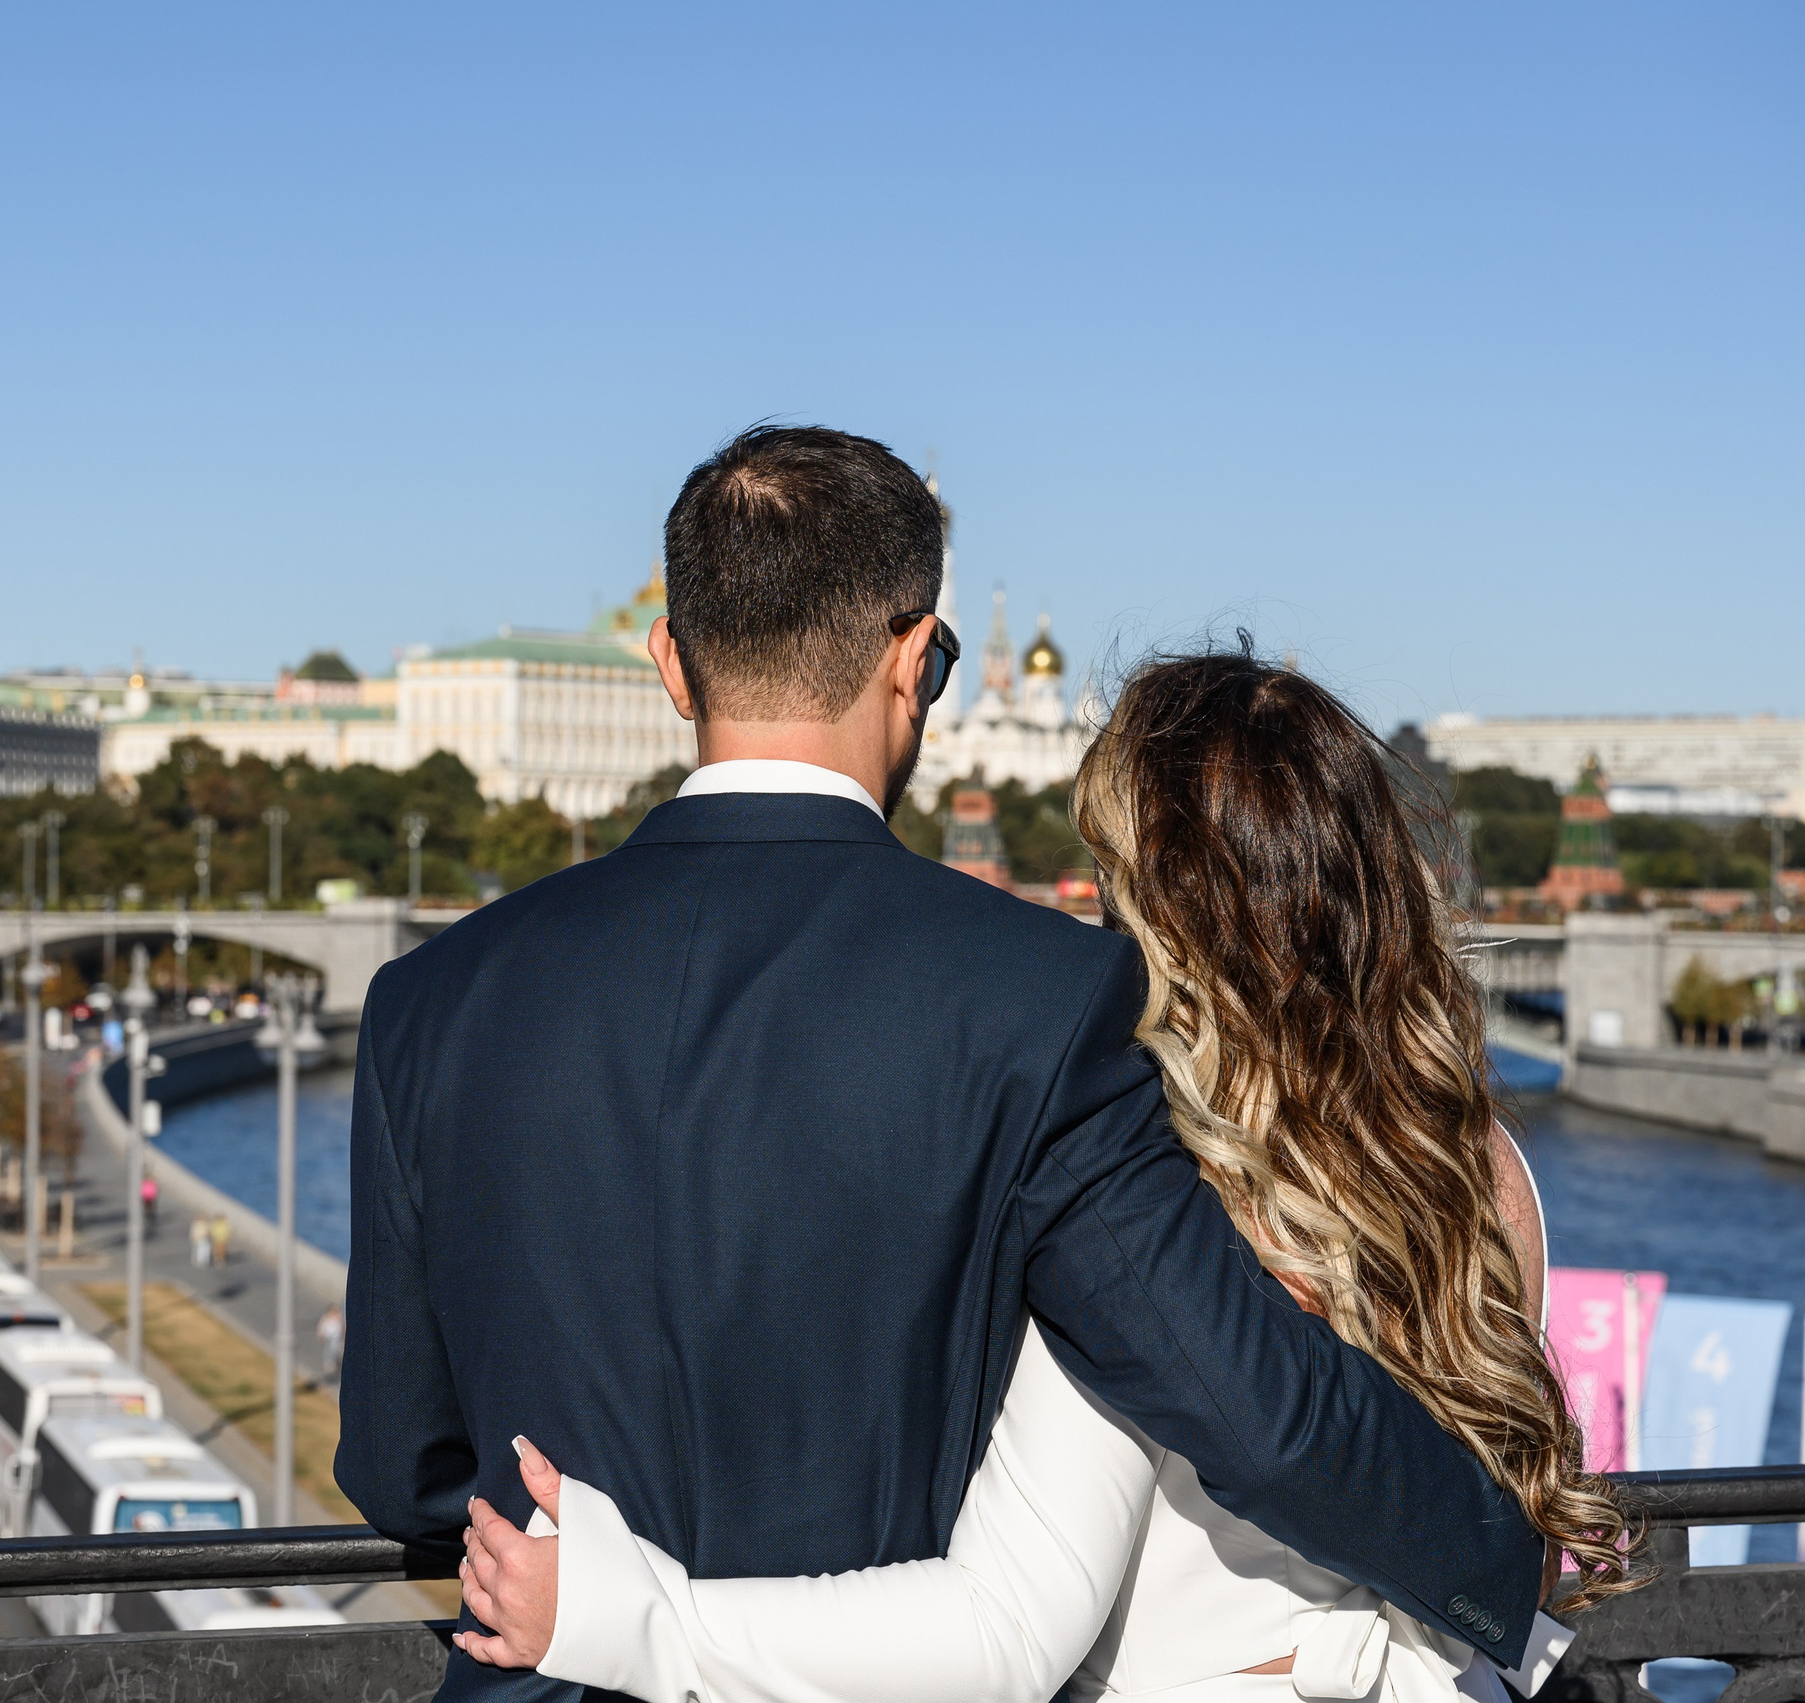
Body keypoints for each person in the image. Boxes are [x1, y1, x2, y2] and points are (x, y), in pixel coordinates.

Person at [336, 426, 1548, 1703]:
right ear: (915, 659)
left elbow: (403, 1461)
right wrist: (1499, 1570)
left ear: (670, 664)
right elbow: (1240, 1397)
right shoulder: (1045, 997)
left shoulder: (429, 998)